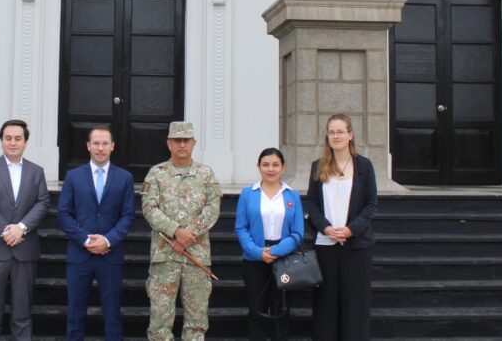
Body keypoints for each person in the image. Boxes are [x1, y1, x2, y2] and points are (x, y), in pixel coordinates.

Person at [142, 120, 222, 341]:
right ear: (169, 143)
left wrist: (188, 236)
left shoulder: (206, 174)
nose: (182, 145)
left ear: (193, 143)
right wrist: (176, 231)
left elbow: (213, 208)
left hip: (196, 258)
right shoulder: (156, 173)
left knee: (196, 324)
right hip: (164, 258)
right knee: (159, 323)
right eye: (177, 140)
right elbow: (149, 208)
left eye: (186, 140)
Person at [56, 125, 136, 341]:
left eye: (105, 143)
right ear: (88, 146)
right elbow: (63, 214)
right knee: (75, 314)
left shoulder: (125, 178)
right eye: (96, 143)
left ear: (112, 146)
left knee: (112, 315)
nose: (101, 148)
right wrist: (85, 239)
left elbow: (128, 216)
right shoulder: (73, 176)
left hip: (110, 256)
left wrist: (108, 240)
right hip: (79, 255)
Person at [0, 119, 50, 340]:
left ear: (25, 142)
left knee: (22, 315)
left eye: (18, 139)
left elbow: (43, 202)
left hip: (24, 250)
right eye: (8, 138)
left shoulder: (36, 172)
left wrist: (21, 228)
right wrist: (6, 231)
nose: (12, 143)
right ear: (1, 141)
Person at [306, 114, 377, 341]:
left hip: (355, 247)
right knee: (326, 306)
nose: (335, 136)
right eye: (331, 132)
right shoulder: (318, 166)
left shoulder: (364, 166)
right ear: (327, 137)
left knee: (355, 305)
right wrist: (326, 228)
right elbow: (313, 204)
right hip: (326, 246)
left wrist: (350, 229)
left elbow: (370, 204)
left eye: (340, 131)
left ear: (350, 135)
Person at [234, 148, 304, 341]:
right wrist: (257, 252)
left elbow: (298, 232)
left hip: (284, 259)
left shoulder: (293, 195)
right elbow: (241, 228)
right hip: (255, 259)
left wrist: (275, 250)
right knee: (257, 312)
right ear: (258, 167)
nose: (270, 169)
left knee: (281, 311)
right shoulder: (248, 194)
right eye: (265, 164)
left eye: (275, 164)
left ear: (283, 168)